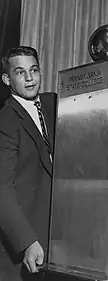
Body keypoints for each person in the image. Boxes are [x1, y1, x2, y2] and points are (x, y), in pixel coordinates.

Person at [0, 46, 56, 281]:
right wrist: (26, 241)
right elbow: (1, 189)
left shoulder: (52, 105)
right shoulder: (6, 120)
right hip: (23, 252)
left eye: (34, 70)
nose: (30, 78)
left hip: (53, 242)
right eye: (20, 72)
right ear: (6, 79)